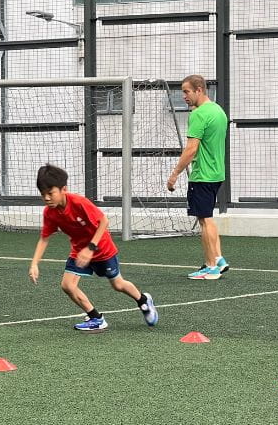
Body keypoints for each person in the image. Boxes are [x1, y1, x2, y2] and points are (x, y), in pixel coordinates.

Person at [29, 164, 158, 331]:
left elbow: (103, 221)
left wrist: (90, 248)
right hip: (79, 252)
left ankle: (143, 300)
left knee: (118, 285)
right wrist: (34, 263)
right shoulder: (50, 213)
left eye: (50, 193)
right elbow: (45, 238)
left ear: (63, 189)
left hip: (102, 250)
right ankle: (96, 318)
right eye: (43, 194)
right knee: (67, 285)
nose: (46, 198)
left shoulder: (79, 203)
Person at [166, 74, 230, 280]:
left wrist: (174, 174)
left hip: (203, 174)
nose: (184, 96)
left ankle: (211, 267)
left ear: (199, 89)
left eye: (186, 91)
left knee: (205, 219)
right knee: (206, 218)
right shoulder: (218, 111)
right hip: (217, 173)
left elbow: (191, 149)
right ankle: (218, 260)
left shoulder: (199, 114)